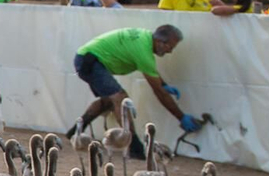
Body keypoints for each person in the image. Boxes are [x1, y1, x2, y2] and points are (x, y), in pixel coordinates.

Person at [67, 24, 198, 156]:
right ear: (160, 42)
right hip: (90, 60)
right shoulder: (143, 51)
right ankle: (134, 146)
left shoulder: (146, 38)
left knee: (108, 101)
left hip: (87, 57)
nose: (170, 51)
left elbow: (153, 75)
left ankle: (75, 131)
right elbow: (159, 93)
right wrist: (181, 117)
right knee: (120, 98)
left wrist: (163, 84)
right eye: (171, 46)